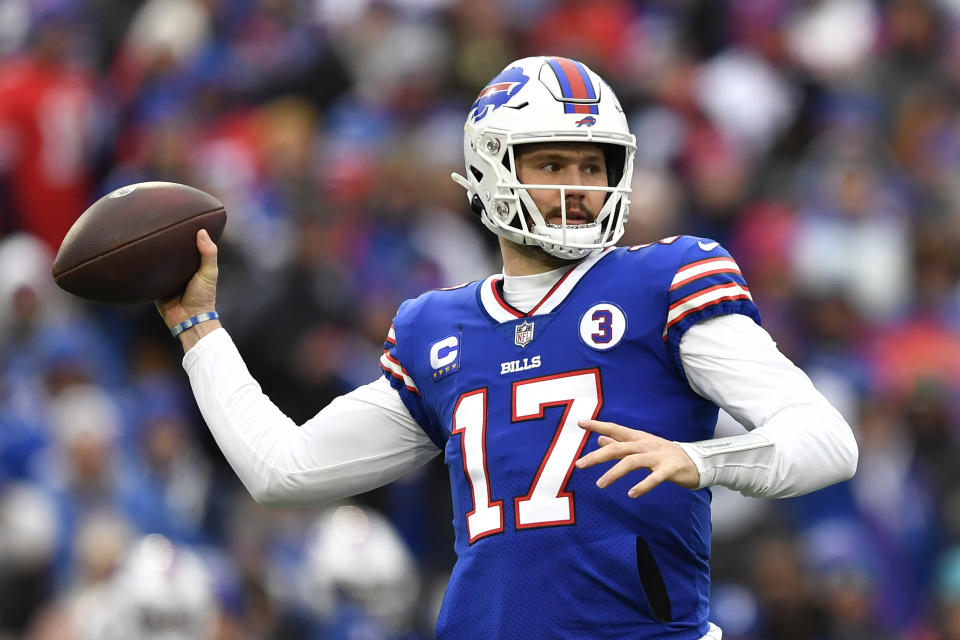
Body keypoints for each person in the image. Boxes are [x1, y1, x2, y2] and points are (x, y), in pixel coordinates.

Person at [155, 56, 859, 640]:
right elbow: (284, 470)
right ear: (492, 168)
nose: (579, 189)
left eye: (594, 166)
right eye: (553, 163)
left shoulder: (662, 281)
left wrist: (701, 461)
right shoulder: (439, 329)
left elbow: (828, 441)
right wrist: (199, 330)